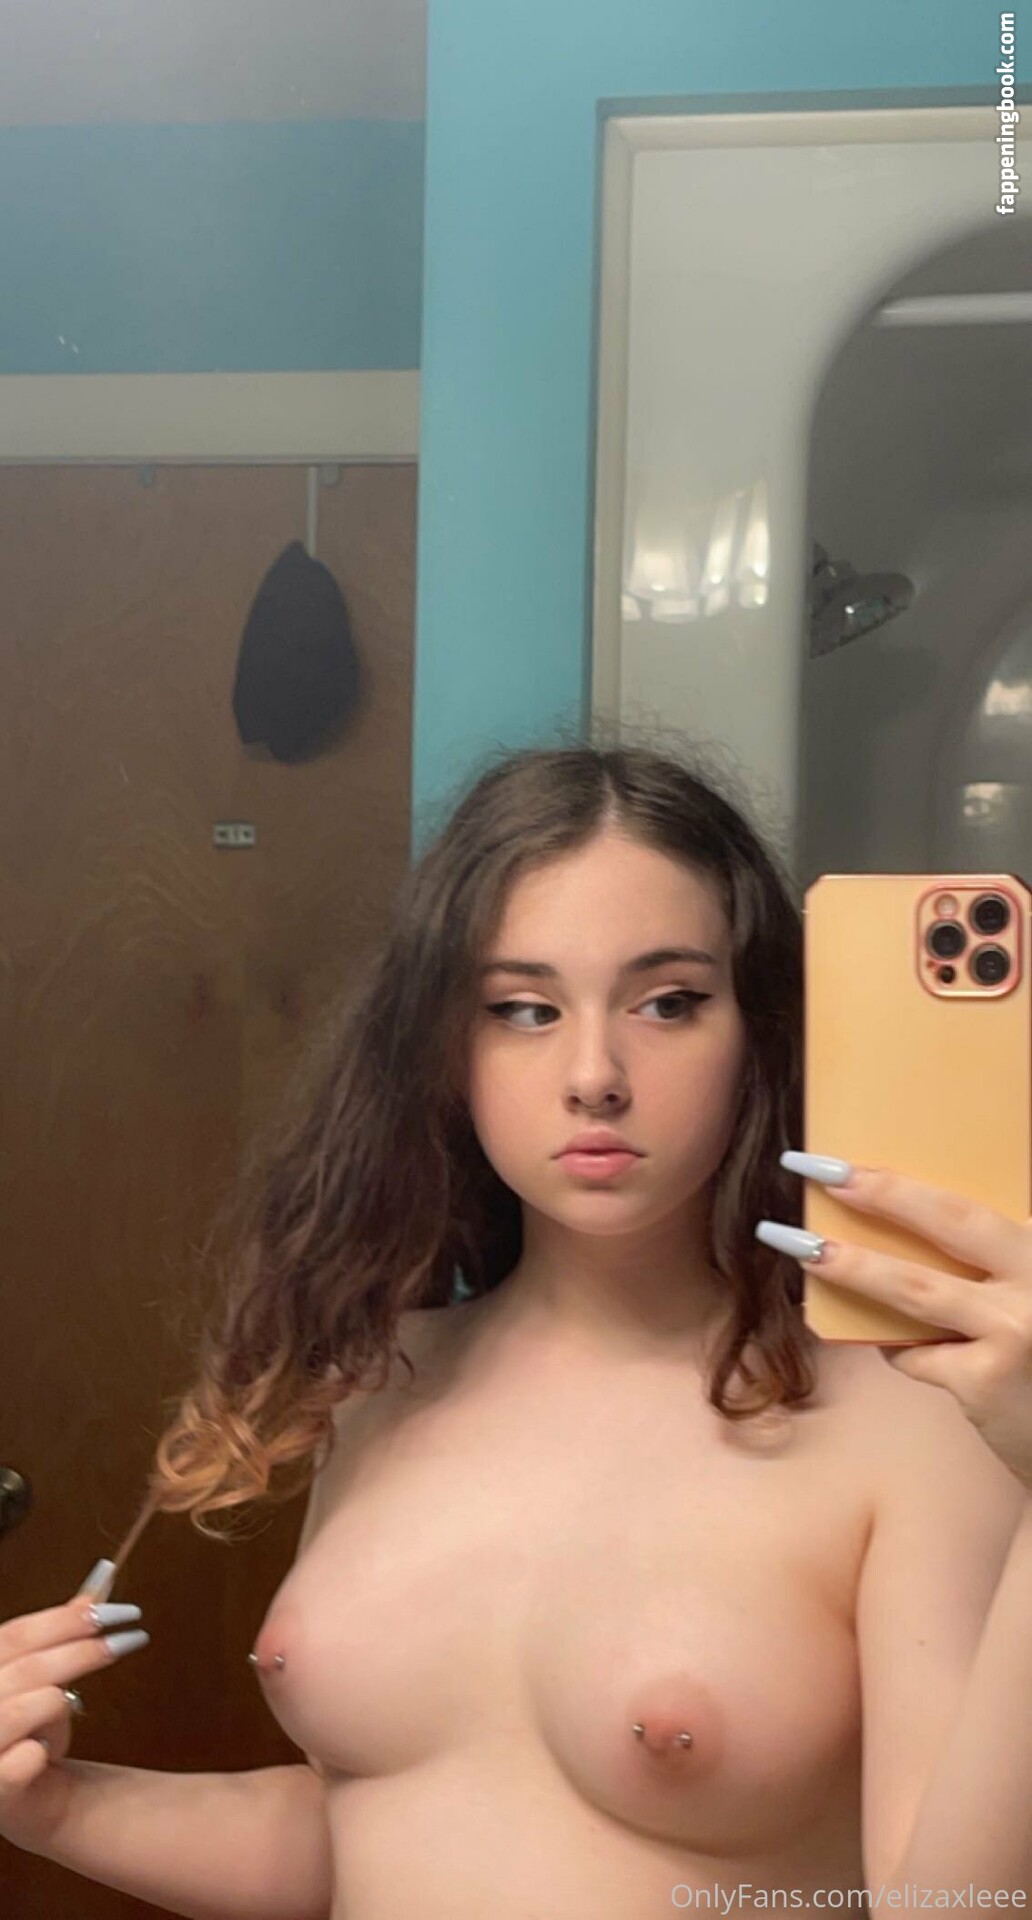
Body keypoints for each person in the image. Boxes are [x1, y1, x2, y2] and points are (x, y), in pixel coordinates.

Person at [1, 729, 1029, 1916]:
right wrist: (53, 1808)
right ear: (446, 1047)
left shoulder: (912, 1419)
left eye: (669, 1002)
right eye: (524, 1009)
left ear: (758, 1030)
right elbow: (374, 1831)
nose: (594, 1073)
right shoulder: (383, 1379)